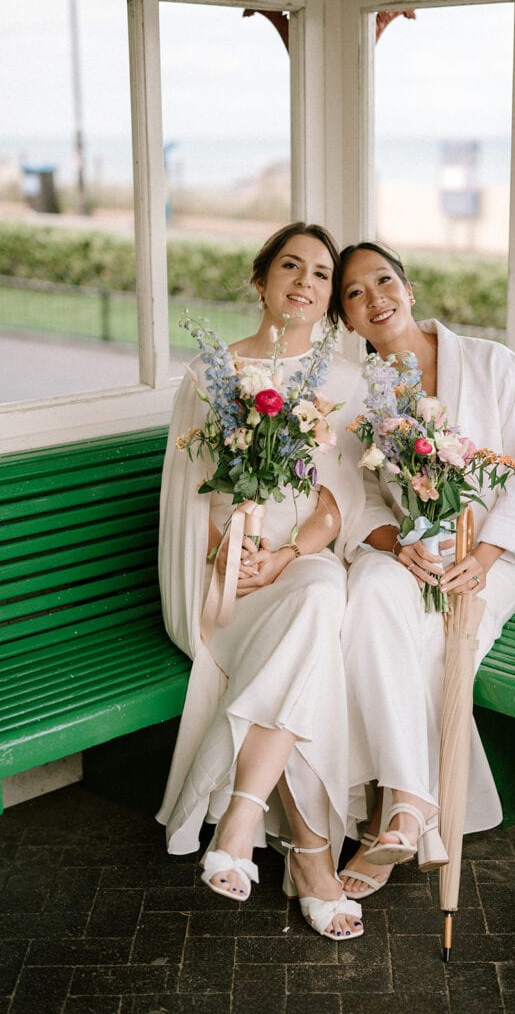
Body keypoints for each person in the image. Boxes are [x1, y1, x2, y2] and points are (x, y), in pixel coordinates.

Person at [156, 223, 369, 940]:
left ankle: (240, 821)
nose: (305, 282)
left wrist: (285, 554)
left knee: (317, 594)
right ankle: (312, 861)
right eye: (290, 266)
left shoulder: (342, 382)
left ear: (328, 301)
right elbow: (188, 495)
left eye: (320, 274)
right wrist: (229, 553)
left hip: (299, 560)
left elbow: (344, 501)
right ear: (261, 279)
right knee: (310, 640)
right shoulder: (209, 375)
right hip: (225, 576)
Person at [335, 242, 515, 898]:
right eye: (353, 293)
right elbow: (362, 498)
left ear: (409, 287)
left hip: (491, 559)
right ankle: (413, 799)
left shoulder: (495, 365)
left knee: (433, 642)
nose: (375, 298)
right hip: (416, 555)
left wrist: (483, 560)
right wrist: (396, 544)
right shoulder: (362, 397)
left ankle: (387, 818)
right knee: (364, 594)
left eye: (384, 280)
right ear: (345, 321)